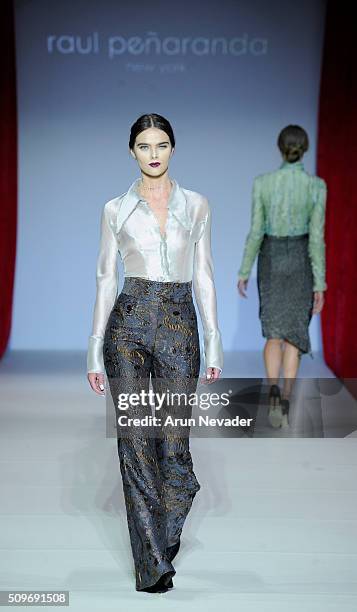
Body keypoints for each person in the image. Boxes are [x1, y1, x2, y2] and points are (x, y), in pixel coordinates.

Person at [87, 113, 223, 593]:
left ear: (172, 148)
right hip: (127, 324)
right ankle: (151, 564)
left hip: (178, 321)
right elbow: (107, 278)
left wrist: (214, 338)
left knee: (174, 447)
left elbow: (204, 274)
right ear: (131, 151)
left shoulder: (197, 205)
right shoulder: (114, 209)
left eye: (161, 144)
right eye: (144, 146)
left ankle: (166, 524)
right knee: (134, 442)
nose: (153, 154)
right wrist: (92, 348)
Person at [237, 125, 327, 428]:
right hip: (301, 259)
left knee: (273, 334)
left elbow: (256, 231)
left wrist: (244, 270)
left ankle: (273, 392)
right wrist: (320, 283)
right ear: (305, 148)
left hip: (272, 259)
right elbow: (317, 238)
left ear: (280, 147)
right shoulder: (316, 186)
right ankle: (285, 398)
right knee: (293, 337)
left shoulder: (263, 183)